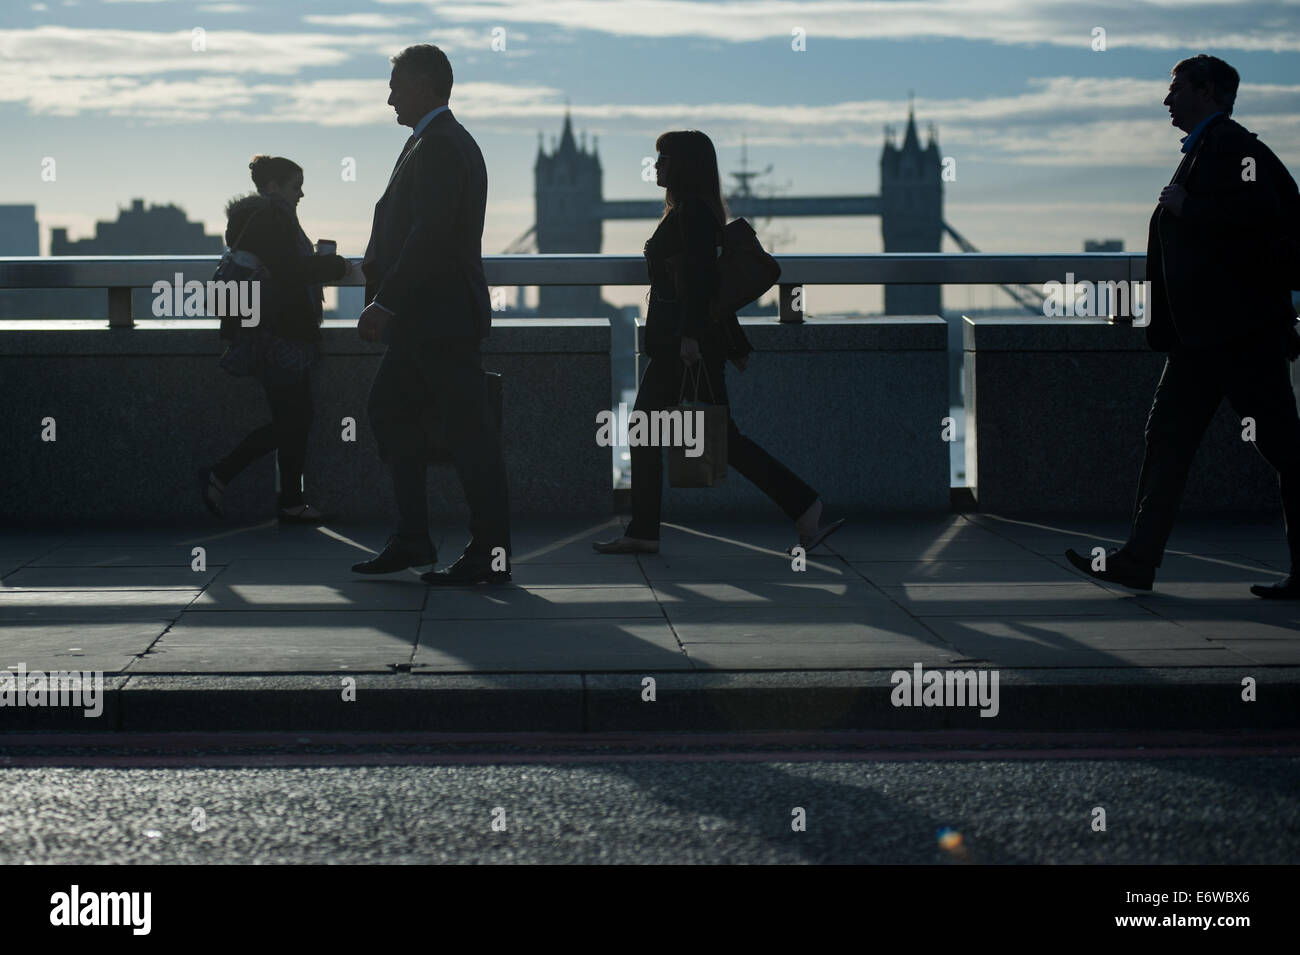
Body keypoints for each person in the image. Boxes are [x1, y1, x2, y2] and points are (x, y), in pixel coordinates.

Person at [1066, 55, 1300, 598]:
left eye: (1177, 90)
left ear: (1210, 92)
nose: (1166, 101)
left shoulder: (1237, 151)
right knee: (1170, 441)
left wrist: (1192, 209)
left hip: (1237, 340)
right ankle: (1137, 560)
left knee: (1283, 452)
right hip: (1207, 340)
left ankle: (1138, 560)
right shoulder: (1208, 152)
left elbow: (1266, 227)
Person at [594, 129, 843, 555]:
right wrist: (717, 340)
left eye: (664, 158)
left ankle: (644, 531)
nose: (655, 166)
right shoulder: (697, 211)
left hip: (684, 346)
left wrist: (690, 336)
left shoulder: (691, 214)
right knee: (723, 440)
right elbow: (703, 281)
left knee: (643, 429)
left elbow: (700, 280)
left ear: (684, 166)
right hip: (693, 342)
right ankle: (805, 508)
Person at [351, 44, 512, 583]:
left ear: (423, 84)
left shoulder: (440, 145)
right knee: (400, 412)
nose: (389, 95)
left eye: (396, 84)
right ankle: (415, 539)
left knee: (467, 433)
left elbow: (431, 234)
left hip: (435, 316)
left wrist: (386, 302)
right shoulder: (436, 141)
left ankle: (478, 551)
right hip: (431, 316)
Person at [200, 155, 351, 523]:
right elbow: (291, 270)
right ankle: (223, 474)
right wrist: (336, 265)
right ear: (273, 187)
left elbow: (280, 267)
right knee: (294, 418)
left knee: (293, 416)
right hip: (279, 334)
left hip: (263, 331)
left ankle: (289, 500)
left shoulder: (254, 219)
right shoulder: (272, 218)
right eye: (295, 185)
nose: (301, 193)